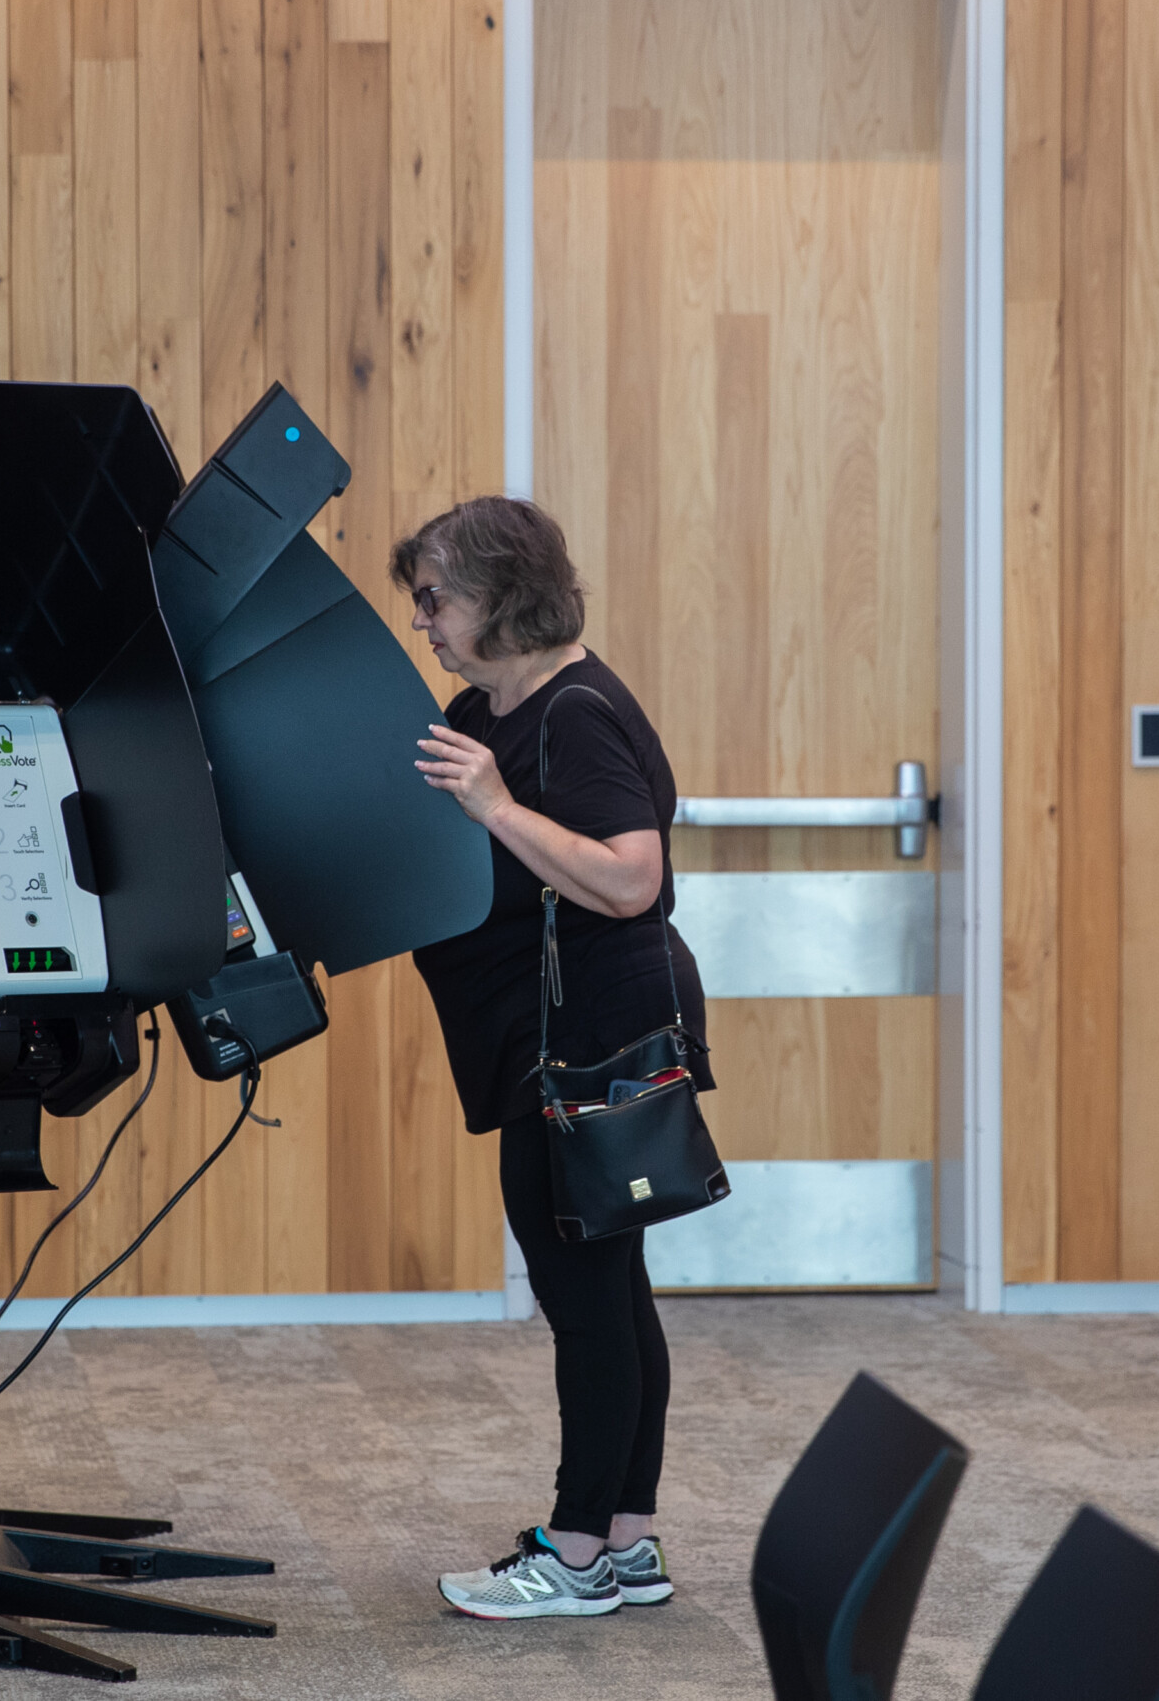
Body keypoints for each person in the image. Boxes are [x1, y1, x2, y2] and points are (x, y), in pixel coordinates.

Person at [396, 496, 714, 1618]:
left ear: (504, 596)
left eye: (436, 597)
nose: (424, 620)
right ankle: (627, 1538)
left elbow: (632, 878)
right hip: (550, 1032)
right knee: (611, 1290)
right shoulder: (490, 707)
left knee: (583, 1296)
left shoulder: (575, 713)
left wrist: (491, 803)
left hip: (591, 1039)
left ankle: (573, 1554)